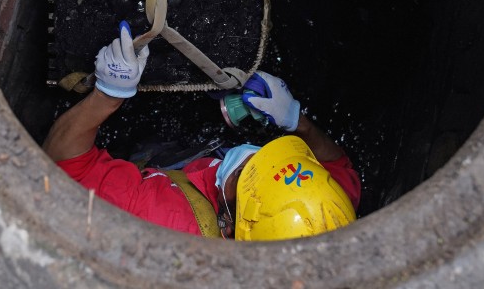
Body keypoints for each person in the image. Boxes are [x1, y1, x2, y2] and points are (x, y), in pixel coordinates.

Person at [43, 22, 361, 240]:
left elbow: (61, 163)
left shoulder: (164, 221)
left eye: (248, 173)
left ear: (228, 225)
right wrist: (296, 120)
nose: (256, 155)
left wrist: (109, 95)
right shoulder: (325, 215)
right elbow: (339, 169)